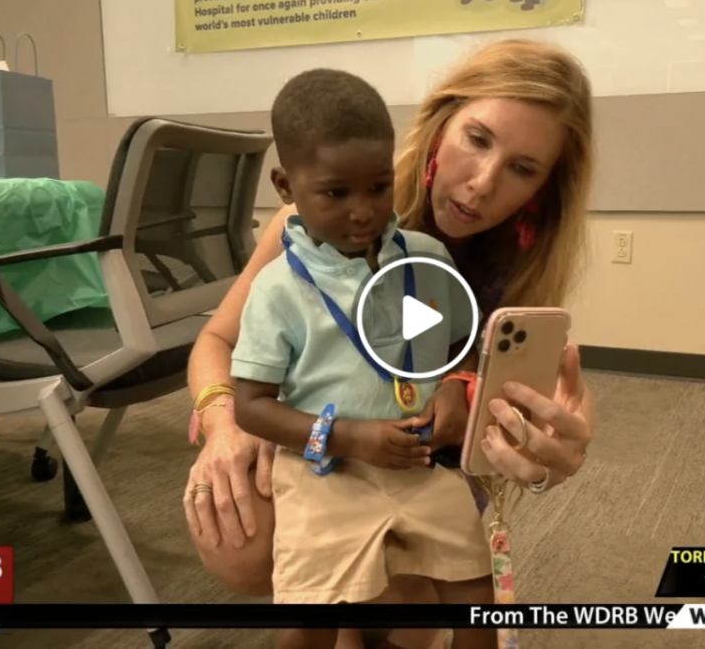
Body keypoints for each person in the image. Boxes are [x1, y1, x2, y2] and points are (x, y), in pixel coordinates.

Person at [184, 39, 598, 649]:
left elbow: (517, 392)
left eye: (522, 168)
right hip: (320, 439)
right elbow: (217, 339)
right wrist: (224, 423)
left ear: (544, 186)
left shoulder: (517, 264)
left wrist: (549, 446)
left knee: (424, 587)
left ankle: (386, 605)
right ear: (439, 124)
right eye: (477, 139)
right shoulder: (311, 229)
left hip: (419, 457)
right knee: (247, 546)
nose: (481, 184)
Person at [226, 68, 497, 649]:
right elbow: (250, 407)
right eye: (335, 193)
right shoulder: (279, 289)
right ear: (284, 185)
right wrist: (346, 436)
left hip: (421, 465)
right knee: (308, 619)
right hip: (325, 471)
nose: (363, 211)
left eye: (377, 187)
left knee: (478, 597)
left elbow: (459, 345)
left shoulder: (426, 257)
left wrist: (454, 386)